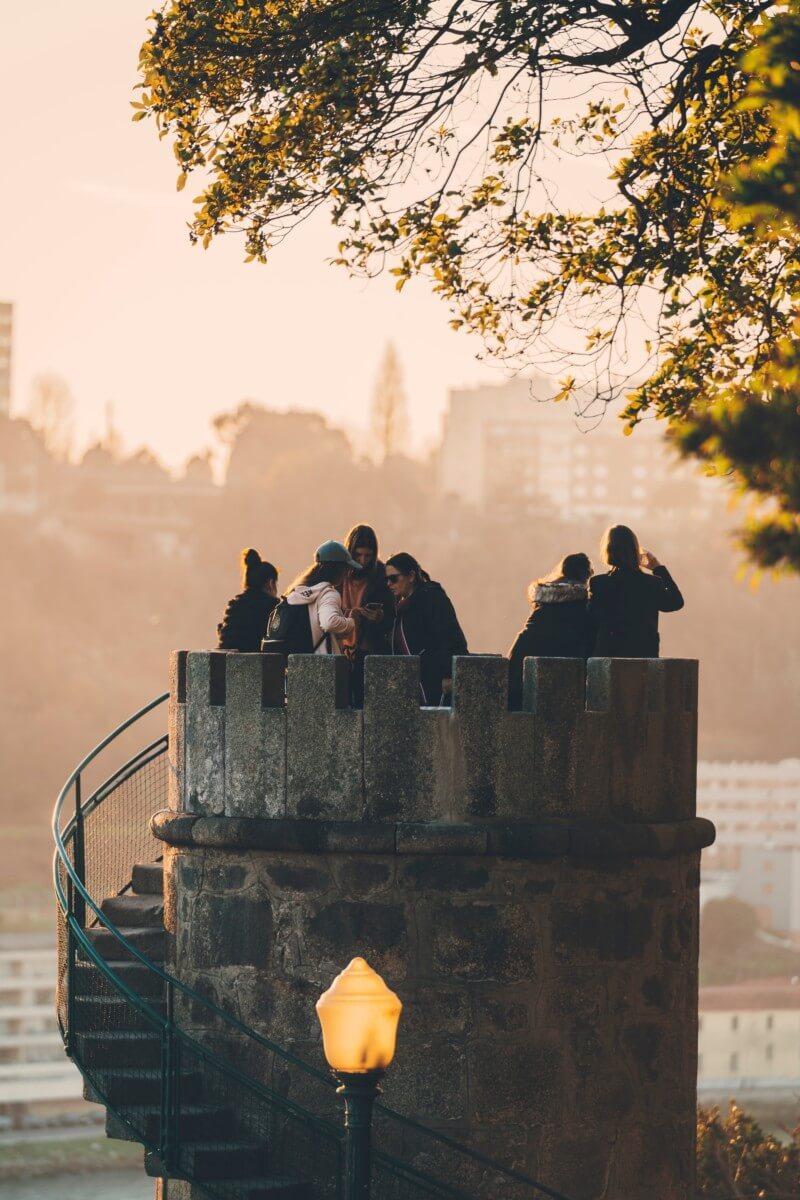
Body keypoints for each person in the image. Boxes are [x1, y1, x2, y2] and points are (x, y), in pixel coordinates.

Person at [507, 552, 594, 708]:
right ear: (586, 575)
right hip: (555, 680)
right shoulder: (584, 605)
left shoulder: (544, 600)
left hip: (519, 665)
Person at [385, 552, 468, 705]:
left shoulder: (432, 598)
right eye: (387, 579)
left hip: (435, 682)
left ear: (411, 576)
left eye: (393, 578)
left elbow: (451, 637)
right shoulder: (403, 606)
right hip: (415, 684)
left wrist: (449, 674)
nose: (389, 584)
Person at [588, 525, 684, 657]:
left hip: (608, 654)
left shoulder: (598, 583)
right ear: (635, 550)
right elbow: (676, 602)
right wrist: (658, 568)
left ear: (608, 551)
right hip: (643, 654)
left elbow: (591, 619)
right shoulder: (652, 583)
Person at [341, 524, 394, 706]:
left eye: (368, 556)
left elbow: (391, 617)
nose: (363, 560)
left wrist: (379, 618)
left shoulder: (382, 575)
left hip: (369, 651)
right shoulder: (339, 573)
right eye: (358, 555)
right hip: (340, 650)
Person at [283, 540, 361, 654]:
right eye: (347, 569)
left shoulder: (299, 592)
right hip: (324, 664)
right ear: (338, 569)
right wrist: (351, 622)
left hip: (298, 662)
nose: (347, 574)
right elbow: (329, 622)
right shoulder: (328, 593)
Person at [217, 548, 279, 652]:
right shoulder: (274, 608)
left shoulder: (233, 606)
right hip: (258, 666)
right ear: (270, 583)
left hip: (225, 665)